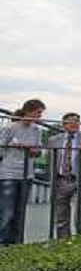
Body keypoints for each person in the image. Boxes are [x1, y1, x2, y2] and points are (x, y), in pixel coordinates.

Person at [0, 99, 45, 245]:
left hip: (27, 173)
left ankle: (18, 244)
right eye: (38, 112)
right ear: (28, 111)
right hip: (9, 173)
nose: (40, 116)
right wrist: (13, 146)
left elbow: (38, 152)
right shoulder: (10, 128)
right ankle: (5, 244)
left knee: (20, 213)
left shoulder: (36, 130)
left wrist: (29, 148)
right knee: (7, 212)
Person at [48, 112, 81, 238]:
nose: (75, 124)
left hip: (78, 180)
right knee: (61, 215)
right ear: (64, 125)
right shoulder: (54, 140)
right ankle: (63, 242)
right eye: (71, 121)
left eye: (77, 121)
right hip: (61, 181)